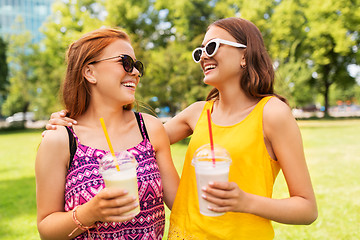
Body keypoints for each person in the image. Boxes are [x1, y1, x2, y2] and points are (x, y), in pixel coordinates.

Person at [45, 17, 317, 239]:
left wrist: (245, 201)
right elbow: (132, 140)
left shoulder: (272, 113)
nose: (202, 57)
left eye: (212, 48)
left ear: (245, 55)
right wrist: (71, 120)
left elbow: (307, 209)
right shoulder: (197, 113)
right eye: (200, 51)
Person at [35, 28, 179, 240]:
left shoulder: (151, 129)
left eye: (137, 66)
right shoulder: (60, 140)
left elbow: (181, 203)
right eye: (126, 62)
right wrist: (90, 213)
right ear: (89, 72)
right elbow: (46, 230)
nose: (136, 73)